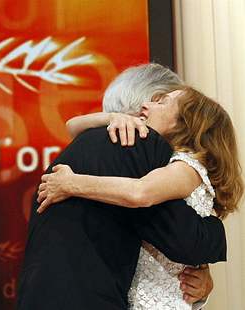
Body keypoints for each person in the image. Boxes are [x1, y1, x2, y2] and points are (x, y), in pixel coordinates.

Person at [17, 70, 227, 309]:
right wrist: (213, 236)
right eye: (158, 98)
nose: (150, 106)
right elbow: (184, 238)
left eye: (162, 101)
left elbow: (152, 222)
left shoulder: (85, 143)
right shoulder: (138, 147)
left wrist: (72, 183)